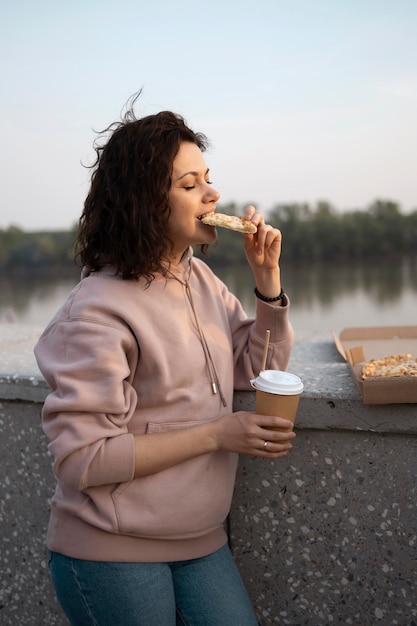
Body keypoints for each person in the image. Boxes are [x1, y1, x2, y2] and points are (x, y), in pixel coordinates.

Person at [34, 91, 295, 626]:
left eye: (208, 177)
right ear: (145, 200)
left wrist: (267, 284)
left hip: (201, 542)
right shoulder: (95, 313)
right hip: (110, 549)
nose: (213, 193)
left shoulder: (197, 276)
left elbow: (254, 368)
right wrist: (216, 434)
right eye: (190, 184)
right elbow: (82, 460)